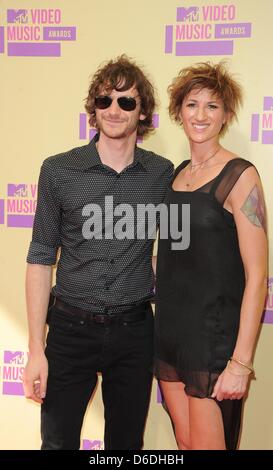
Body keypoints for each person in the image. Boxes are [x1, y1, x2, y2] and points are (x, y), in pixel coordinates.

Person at [23, 54, 173, 450]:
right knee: (57, 444)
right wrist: (36, 349)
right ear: (93, 108)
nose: (114, 110)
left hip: (135, 332)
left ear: (143, 113)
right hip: (70, 331)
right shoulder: (58, 170)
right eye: (105, 100)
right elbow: (40, 258)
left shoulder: (163, 174)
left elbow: (178, 249)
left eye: (127, 102)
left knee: (126, 447)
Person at [154, 62, 268, 450]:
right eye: (192, 104)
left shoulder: (241, 175)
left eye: (212, 106)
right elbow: (174, 257)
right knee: (185, 446)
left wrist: (240, 362)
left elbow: (257, 276)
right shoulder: (177, 174)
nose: (200, 115)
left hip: (213, 341)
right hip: (168, 335)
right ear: (178, 112)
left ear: (226, 116)